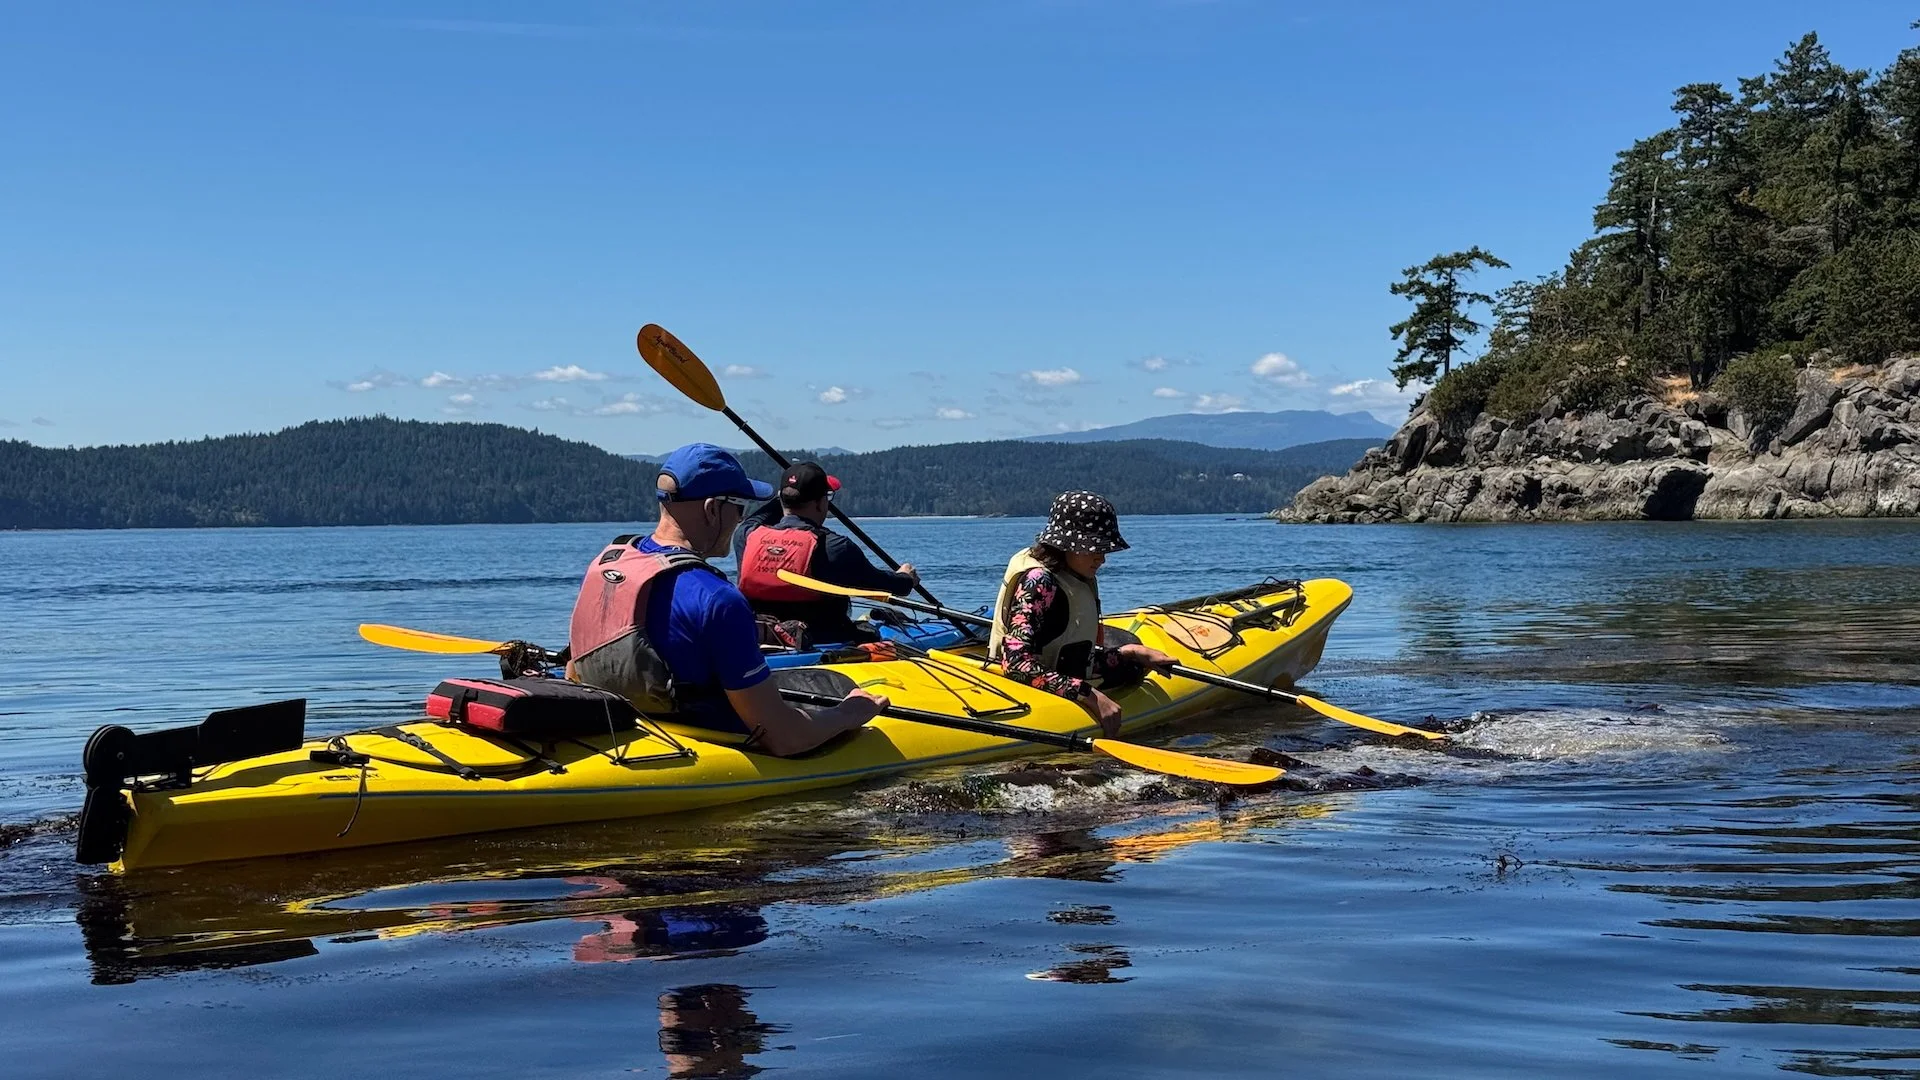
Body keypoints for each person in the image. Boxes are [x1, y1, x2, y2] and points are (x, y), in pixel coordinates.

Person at [567, 443, 887, 756]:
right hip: (705, 733)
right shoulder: (717, 598)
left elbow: (574, 670)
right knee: (840, 692)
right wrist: (850, 715)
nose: (739, 520)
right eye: (739, 508)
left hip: (631, 722)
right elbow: (785, 739)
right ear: (711, 508)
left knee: (820, 680)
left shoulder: (608, 563)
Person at [988, 491, 1176, 738]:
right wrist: (1090, 695)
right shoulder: (1039, 582)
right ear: (1065, 544)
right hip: (1021, 692)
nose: (1102, 558)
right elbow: (1016, 664)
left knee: (1131, 657)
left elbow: (1066, 657)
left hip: (1054, 679)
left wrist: (1128, 655)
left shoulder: (1069, 574)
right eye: (1094, 548)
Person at [733, 462, 919, 644]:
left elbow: (758, 517)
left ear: (783, 499)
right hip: (821, 641)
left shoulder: (746, 536)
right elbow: (888, 586)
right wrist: (906, 577)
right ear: (821, 504)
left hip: (760, 637)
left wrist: (788, 494)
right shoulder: (834, 547)